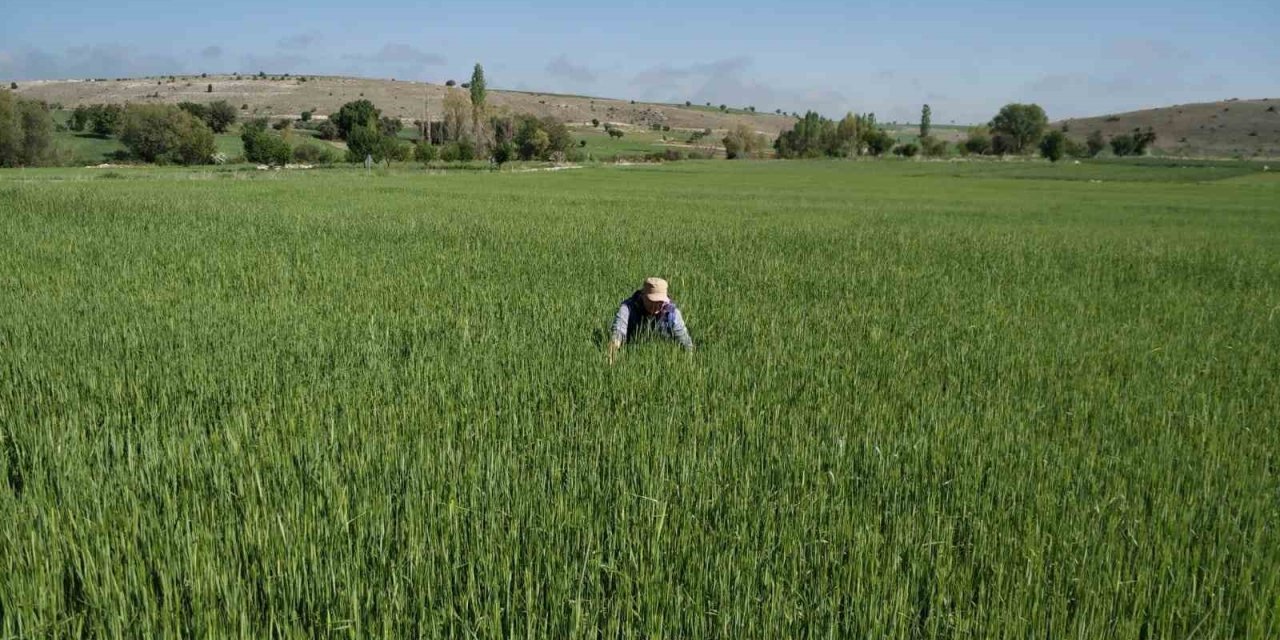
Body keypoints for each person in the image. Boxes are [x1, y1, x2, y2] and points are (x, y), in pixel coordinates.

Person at [608, 277, 693, 362]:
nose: (655, 305)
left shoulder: (672, 313)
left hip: (662, 358)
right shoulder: (627, 308)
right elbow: (617, 334)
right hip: (632, 355)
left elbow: (685, 342)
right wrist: (611, 358)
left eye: (660, 302)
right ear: (643, 296)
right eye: (651, 301)